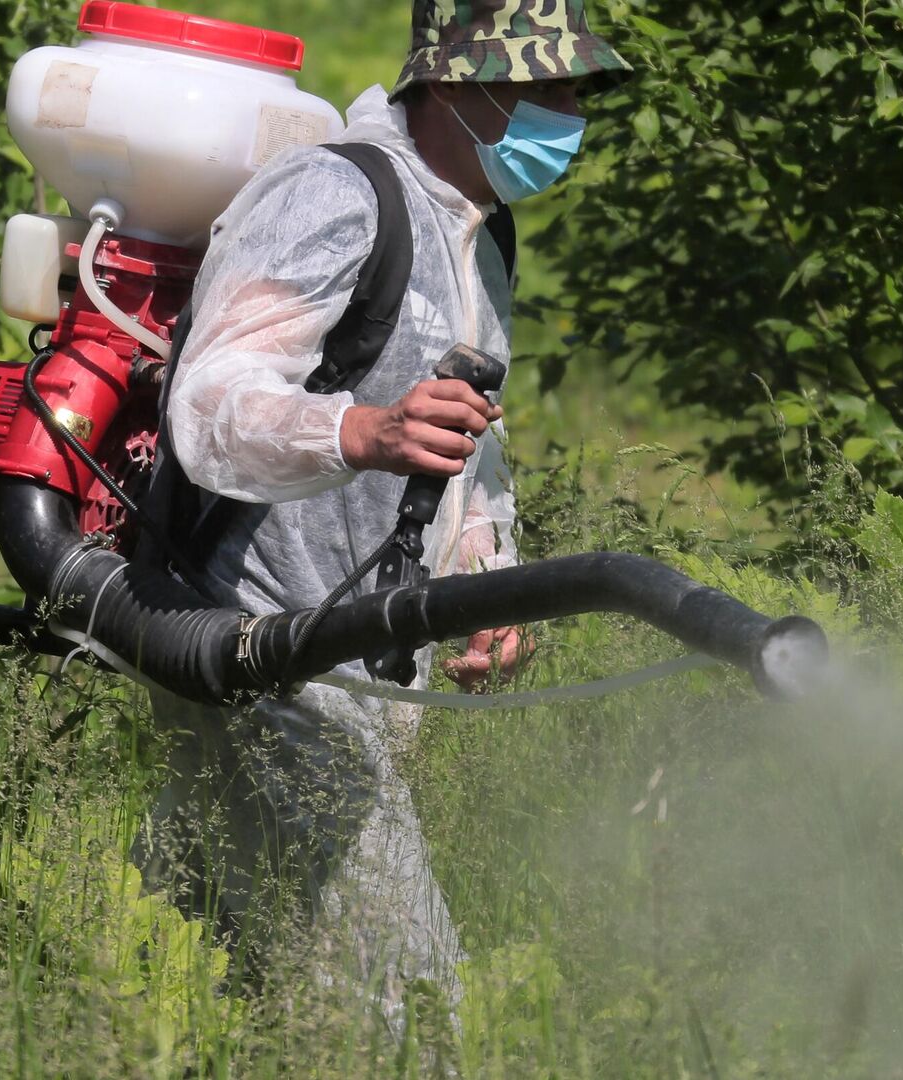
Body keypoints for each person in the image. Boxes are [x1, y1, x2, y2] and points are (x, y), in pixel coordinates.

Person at [130, 0, 632, 1012]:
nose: (573, 111)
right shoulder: (332, 192)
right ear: (459, 82)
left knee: (250, 989)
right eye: (551, 86)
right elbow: (211, 409)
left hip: (365, 664)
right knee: (408, 1004)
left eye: (577, 88)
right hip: (264, 644)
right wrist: (361, 430)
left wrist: (485, 587)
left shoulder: (483, 236)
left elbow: (469, 461)